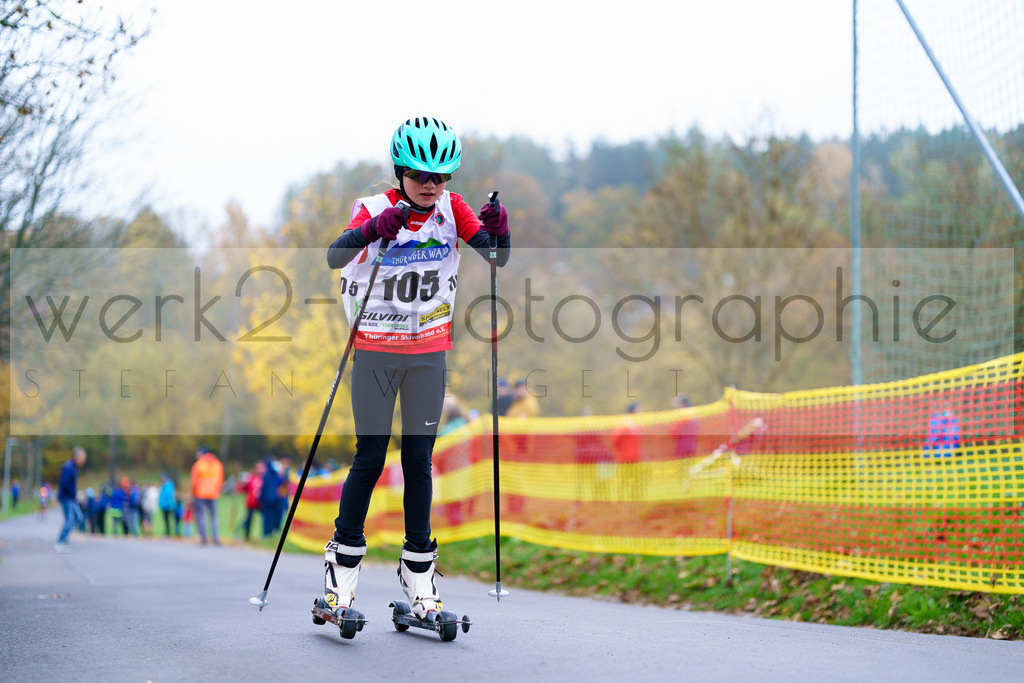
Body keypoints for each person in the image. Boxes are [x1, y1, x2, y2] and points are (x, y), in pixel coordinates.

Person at [317, 116, 510, 622]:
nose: (430, 185)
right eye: (421, 175)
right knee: (371, 457)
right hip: (377, 350)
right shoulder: (375, 207)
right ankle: (342, 574)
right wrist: (372, 230)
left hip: (428, 352)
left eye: (440, 177)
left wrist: (498, 231)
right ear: (401, 171)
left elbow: (495, 259)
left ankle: (418, 576)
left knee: (418, 461)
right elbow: (335, 257)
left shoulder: (453, 208)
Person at [190, 446, 224, 545]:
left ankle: (203, 538)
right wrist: (218, 491)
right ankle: (215, 538)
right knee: (213, 516)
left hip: (200, 493)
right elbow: (221, 480)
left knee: (201, 516)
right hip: (213, 494)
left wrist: (193, 493)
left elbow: (194, 481)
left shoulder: (199, 464)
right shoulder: (217, 464)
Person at [55, 446, 87, 552]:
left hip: (70, 497)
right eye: (83, 456)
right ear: (77, 456)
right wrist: (73, 493)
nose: (84, 459)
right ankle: (60, 542)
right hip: (67, 498)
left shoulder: (72, 466)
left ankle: (64, 540)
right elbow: (64, 483)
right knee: (71, 520)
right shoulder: (69, 467)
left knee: (78, 518)